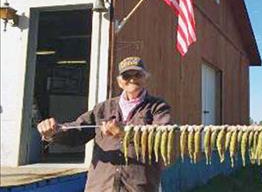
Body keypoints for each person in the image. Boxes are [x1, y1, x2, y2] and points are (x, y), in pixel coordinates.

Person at [37, 56, 171, 192]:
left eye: (137, 74)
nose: (132, 79)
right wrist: (53, 133)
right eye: (126, 76)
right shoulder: (102, 108)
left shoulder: (158, 107)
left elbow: (162, 140)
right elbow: (78, 132)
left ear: (145, 78)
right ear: (120, 82)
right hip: (101, 186)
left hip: (139, 186)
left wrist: (125, 134)